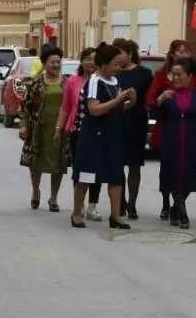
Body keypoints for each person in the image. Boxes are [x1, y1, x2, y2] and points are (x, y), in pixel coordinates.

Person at [71, 43, 135, 229]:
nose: (118, 68)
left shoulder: (115, 81)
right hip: (93, 136)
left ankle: (115, 216)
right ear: (103, 64)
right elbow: (94, 109)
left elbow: (119, 108)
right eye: (115, 64)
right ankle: (77, 213)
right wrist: (117, 99)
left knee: (116, 176)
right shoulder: (94, 81)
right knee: (87, 176)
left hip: (112, 134)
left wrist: (131, 100)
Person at [152, 57, 196, 229]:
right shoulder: (168, 95)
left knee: (189, 177)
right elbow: (154, 114)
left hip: (192, 144)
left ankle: (176, 207)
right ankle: (182, 212)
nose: (175, 78)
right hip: (171, 142)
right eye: (173, 75)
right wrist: (160, 99)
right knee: (172, 176)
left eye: (179, 74)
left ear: (189, 76)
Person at [147, 39, 196, 220]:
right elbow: (151, 101)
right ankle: (166, 203)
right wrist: (162, 97)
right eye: (180, 51)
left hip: (188, 128)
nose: (184, 54)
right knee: (168, 168)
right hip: (166, 127)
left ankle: (179, 202)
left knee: (186, 169)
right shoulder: (161, 75)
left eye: (187, 51)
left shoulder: (194, 75)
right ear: (172, 54)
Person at [20, 45, 69, 212]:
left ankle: (54, 197)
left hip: (59, 129)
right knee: (36, 163)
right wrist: (23, 125)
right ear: (44, 64)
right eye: (52, 62)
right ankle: (35, 191)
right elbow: (26, 106)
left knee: (58, 164)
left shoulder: (66, 83)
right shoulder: (36, 83)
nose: (56, 65)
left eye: (58, 62)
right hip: (38, 129)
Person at [60, 47, 103, 220]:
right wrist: (59, 129)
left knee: (96, 170)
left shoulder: (103, 81)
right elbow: (65, 108)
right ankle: (79, 205)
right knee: (81, 170)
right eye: (87, 58)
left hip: (98, 132)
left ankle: (93, 205)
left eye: (94, 59)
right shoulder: (72, 81)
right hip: (77, 130)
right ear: (82, 61)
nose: (91, 62)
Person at [114, 38, 154, 220]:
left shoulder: (144, 74)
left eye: (120, 52)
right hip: (117, 121)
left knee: (135, 165)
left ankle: (132, 204)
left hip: (136, 122)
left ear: (129, 53)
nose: (117, 57)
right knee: (118, 164)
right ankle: (120, 201)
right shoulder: (113, 74)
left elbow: (150, 99)